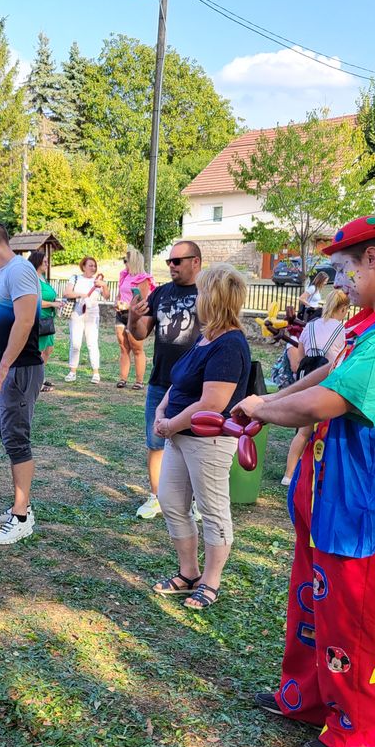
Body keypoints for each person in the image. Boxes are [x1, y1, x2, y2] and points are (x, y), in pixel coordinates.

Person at [234, 215, 375, 747]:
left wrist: (266, 409)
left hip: (365, 504)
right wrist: (267, 407)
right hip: (333, 493)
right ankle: (306, 697)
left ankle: (361, 734)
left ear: (373, 258)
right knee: (313, 606)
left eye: (345, 270)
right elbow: (328, 377)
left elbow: (331, 402)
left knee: (355, 621)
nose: (339, 283)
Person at [151, 264, 251, 610]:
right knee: (171, 502)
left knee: (212, 509)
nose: (196, 298)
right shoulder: (205, 336)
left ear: (214, 298)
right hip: (179, 434)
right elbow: (180, 383)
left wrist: (171, 423)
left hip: (207, 439)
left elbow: (212, 403)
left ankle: (210, 581)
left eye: (202, 292)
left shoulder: (230, 344)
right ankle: (188, 573)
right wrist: (163, 413)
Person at [0, 221, 44, 545]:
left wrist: (3, 368)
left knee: (17, 439)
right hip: (10, 368)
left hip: (19, 370)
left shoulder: (18, 270)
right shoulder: (8, 273)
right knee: (11, 438)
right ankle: (20, 507)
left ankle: (21, 517)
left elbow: (27, 320)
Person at [128, 240, 204, 520]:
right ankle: (156, 496)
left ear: (195, 261)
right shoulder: (160, 293)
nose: (171, 266)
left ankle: (193, 500)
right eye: (169, 262)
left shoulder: (207, 293)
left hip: (196, 384)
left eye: (177, 261)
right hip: (161, 380)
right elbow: (139, 334)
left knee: (193, 444)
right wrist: (131, 318)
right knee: (155, 441)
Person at [281, 288, 349, 485]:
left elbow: (299, 354)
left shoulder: (309, 326)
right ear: (343, 309)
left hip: (307, 378)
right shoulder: (342, 331)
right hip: (327, 381)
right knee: (328, 430)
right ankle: (321, 474)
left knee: (303, 431)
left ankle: (289, 474)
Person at [63, 256, 105, 384]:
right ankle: (72, 371)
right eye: (90, 265)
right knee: (75, 343)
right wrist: (82, 295)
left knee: (92, 343)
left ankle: (96, 373)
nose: (93, 268)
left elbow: (107, 295)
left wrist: (104, 285)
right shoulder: (75, 278)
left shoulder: (98, 281)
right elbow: (67, 293)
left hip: (92, 313)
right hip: (77, 311)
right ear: (84, 266)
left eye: (94, 266)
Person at [116, 248, 151, 390]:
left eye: (126, 261)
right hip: (120, 314)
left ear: (134, 261)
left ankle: (139, 381)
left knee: (136, 348)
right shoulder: (124, 276)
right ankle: (123, 379)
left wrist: (129, 306)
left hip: (134, 315)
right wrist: (117, 302)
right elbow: (120, 294)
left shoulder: (143, 279)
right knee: (123, 347)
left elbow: (143, 301)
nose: (125, 263)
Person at [29, 249, 58, 391]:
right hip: (39, 319)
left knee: (49, 349)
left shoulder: (43, 278)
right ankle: (36, 381)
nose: (47, 264)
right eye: (44, 261)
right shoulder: (33, 278)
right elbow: (35, 301)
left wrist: (56, 302)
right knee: (39, 351)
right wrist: (53, 304)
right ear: (37, 262)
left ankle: (40, 376)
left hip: (48, 319)